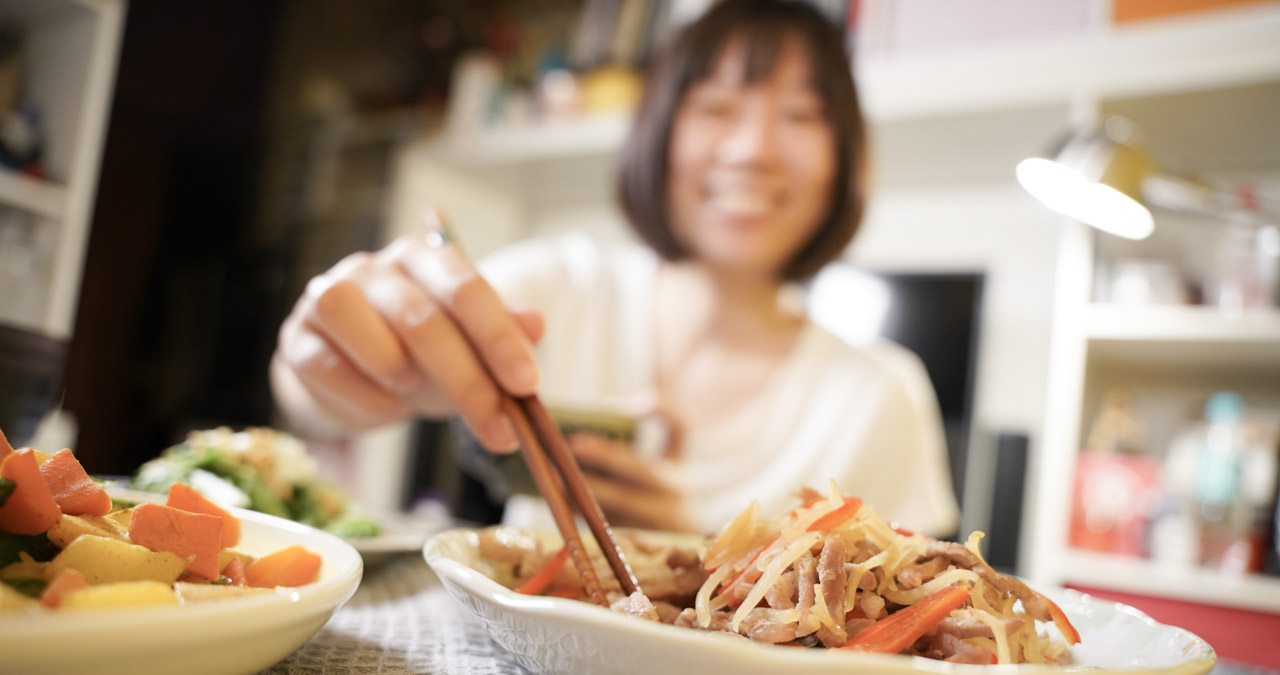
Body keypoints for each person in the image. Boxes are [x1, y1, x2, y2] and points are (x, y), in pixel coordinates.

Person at [271, 0, 960, 537]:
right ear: (659, 134)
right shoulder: (560, 289)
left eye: (800, 115)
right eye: (716, 107)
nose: (753, 148)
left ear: (846, 157)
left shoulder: (880, 395)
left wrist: (691, 556)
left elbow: (909, 636)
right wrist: (337, 361)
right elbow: (314, 394)